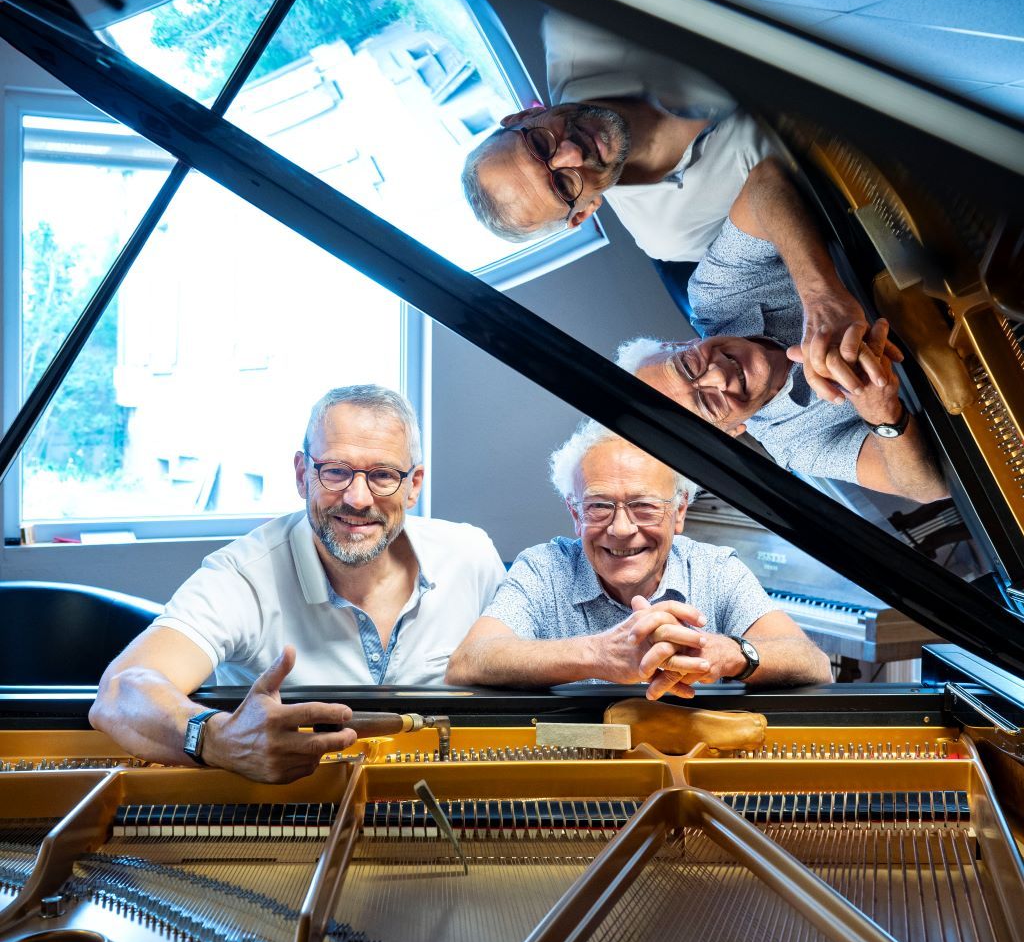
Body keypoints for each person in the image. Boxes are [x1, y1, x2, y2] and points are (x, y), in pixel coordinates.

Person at [91, 385, 506, 781]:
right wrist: (217, 739)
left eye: (382, 475)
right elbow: (119, 692)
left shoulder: (470, 558)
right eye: (336, 471)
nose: (358, 498)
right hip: (279, 817)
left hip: (445, 813)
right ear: (301, 473)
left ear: (413, 485)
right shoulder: (243, 576)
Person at [461, 10, 869, 371]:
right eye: (564, 184)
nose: (570, 152)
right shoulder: (670, 236)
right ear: (584, 212)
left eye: (538, 144)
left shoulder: (579, 23)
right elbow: (786, 209)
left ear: (523, 115)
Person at [446, 421, 830, 699]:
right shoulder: (543, 568)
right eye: (599, 506)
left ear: (679, 512)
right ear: (575, 513)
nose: (621, 528)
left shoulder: (715, 569)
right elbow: (468, 663)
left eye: (644, 506)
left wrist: (729, 653)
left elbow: (813, 664)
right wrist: (599, 654)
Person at [617, 215, 949, 502]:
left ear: (679, 343)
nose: (717, 376)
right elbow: (926, 488)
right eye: (708, 404)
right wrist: (880, 411)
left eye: (687, 366)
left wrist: (820, 294)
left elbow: (765, 183)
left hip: (921, 240)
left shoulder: (713, 292)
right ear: (730, 431)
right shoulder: (795, 446)